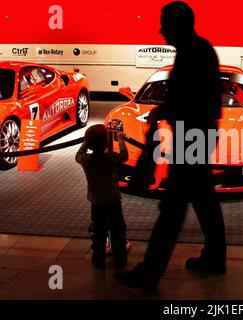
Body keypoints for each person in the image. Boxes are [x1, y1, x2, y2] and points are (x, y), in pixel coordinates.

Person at [116, 1, 227, 288]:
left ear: (178, 24)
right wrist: (165, 110)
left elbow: (189, 99)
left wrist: (163, 111)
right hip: (199, 134)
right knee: (204, 201)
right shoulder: (200, 49)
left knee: (174, 206)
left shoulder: (192, 53)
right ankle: (215, 257)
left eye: (165, 23)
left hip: (192, 135)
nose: (161, 29)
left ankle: (150, 271)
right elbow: (197, 96)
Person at [76, 124, 129, 269]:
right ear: (106, 142)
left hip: (96, 202)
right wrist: (121, 140)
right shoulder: (111, 158)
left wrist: (85, 143)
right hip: (113, 200)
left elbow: (78, 155)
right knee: (118, 229)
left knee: (98, 231)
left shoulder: (86, 160)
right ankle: (120, 257)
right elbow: (125, 156)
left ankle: (98, 258)